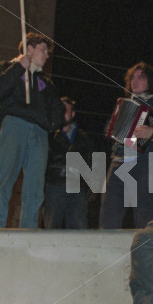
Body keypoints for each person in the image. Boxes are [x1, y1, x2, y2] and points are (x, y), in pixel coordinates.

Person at [0, 33, 63, 228]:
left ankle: (29, 229)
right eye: (43, 50)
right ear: (29, 49)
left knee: (35, 187)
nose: (46, 55)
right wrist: (19, 67)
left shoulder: (45, 81)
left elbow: (57, 109)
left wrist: (49, 124)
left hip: (39, 133)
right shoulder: (6, 67)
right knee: (4, 177)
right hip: (15, 125)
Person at [99, 62, 153, 229]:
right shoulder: (123, 103)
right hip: (119, 160)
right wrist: (111, 129)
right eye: (133, 77)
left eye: (141, 77)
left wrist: (151, 132)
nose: (135, 80)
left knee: (142, 212)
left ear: (150, 82)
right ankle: (106, 248)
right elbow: (108, 127)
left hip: (143, 161)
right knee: (109, 211)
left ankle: (143, 250)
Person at [43, 96, 92, 229]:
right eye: (59, 109)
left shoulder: (83, 137)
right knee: (51, 229)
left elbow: (91, 161)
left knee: (79, 230)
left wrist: (90, 189)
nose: (62, 112)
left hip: (77, 189)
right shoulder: (47, 135)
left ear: (73, 113)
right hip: (54, 186)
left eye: (65, 109)